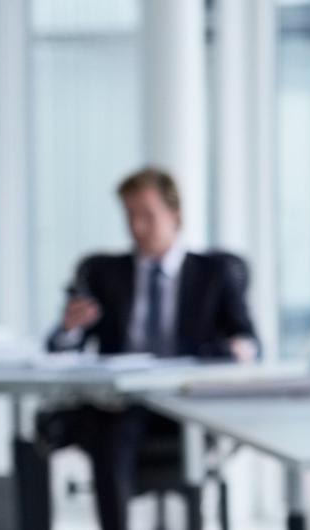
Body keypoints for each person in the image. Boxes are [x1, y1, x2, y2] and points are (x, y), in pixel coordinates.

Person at [44, 168, 257, 530]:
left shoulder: (215, 273)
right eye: (129, 215)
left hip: (187, 404)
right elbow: (59, 349)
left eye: (147, 215)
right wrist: (68, 329)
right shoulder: (104, 273)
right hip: (123, 404)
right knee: (107, 433)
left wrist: (241, 349)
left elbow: (249, 340)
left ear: (175, 215)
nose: (136, 227)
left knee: (172, 433)